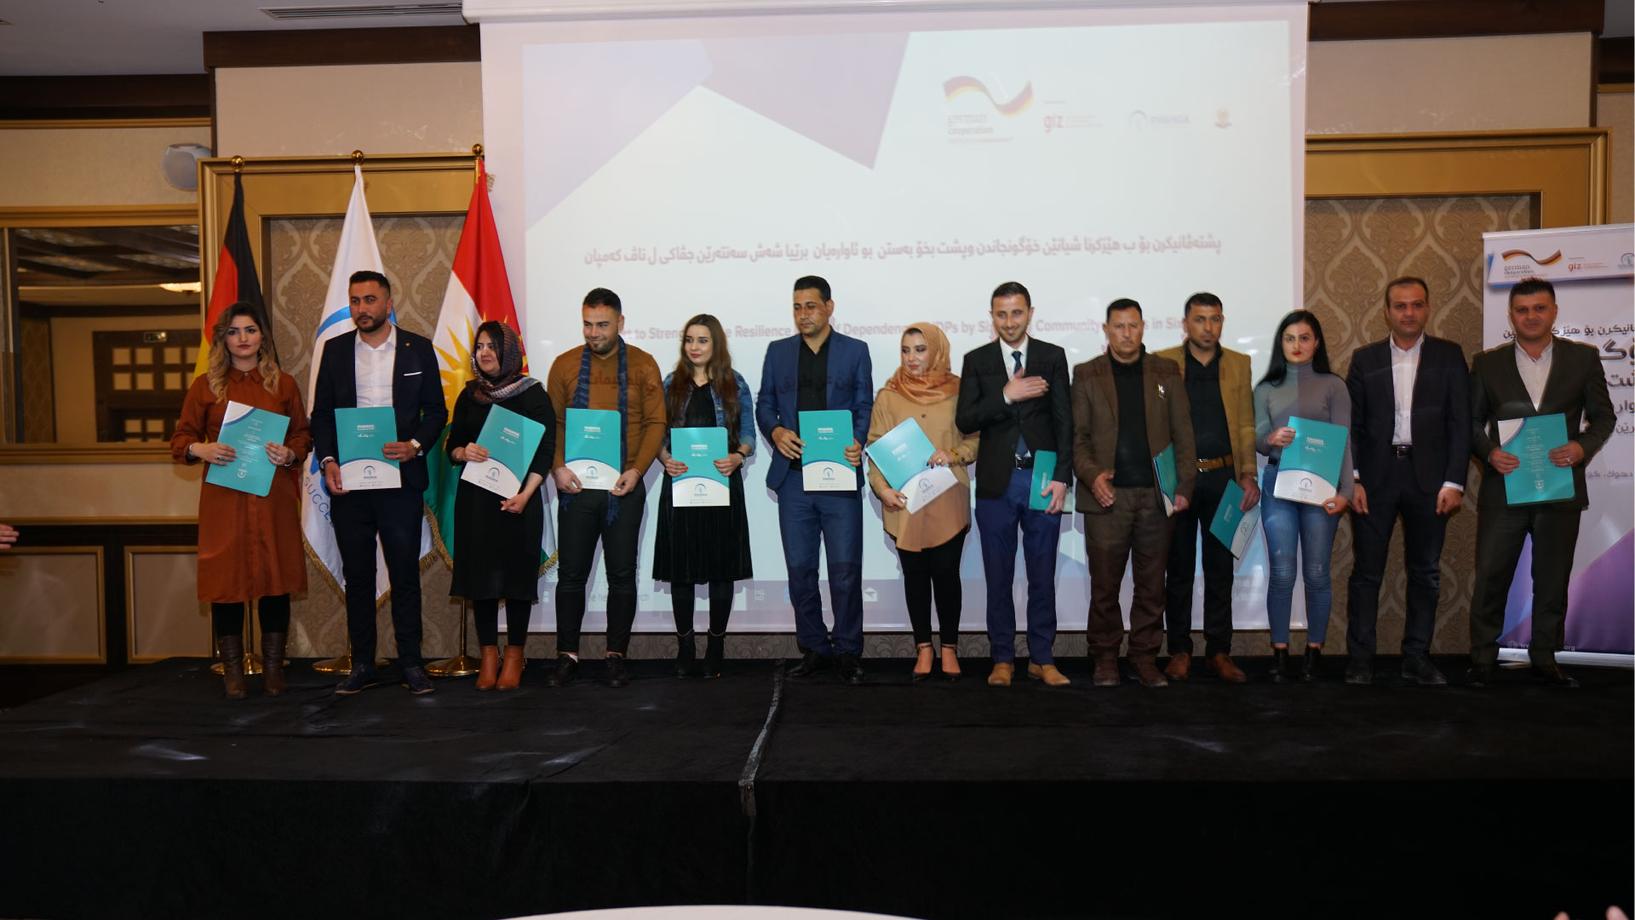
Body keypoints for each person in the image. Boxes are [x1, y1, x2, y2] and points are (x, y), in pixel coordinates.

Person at [1466, 277, 1615, 688]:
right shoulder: (1487, 364)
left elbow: (1604, 417)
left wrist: (1582, 447)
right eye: (1522, 310)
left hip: (1559, 487)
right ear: (1511, 315)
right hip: (1504, 487)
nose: (1531, 316)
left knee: (1552, 579)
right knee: (1491, 576)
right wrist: (1489, 452)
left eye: (1539, 308)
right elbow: (1469, 423)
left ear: (1553, 312)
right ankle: (1482, 659)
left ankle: (1546, 657)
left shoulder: (1583, 359)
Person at [311, 270, 448, 696]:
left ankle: (411, 663)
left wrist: (414, 445)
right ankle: (362, 664)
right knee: (358, 576)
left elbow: (437, 412)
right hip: (349, 483)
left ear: (389, 303)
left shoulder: (417, 349)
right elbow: (321, 415)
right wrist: (328, 461)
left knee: (404, 574)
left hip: (400, 482)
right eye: (355, 301)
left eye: (370, 300)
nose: (362, 309)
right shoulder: (334, 351)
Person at [172, 303, 311, 699]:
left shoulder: (283, 384)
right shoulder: (205, 386)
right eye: (234, 332)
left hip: (272, 496)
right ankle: (232, 671)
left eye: (250, 330)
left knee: (275, 579)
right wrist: (202, 449)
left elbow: (302, 434)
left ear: (262, 336)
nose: (243, 338)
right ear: (223, 339)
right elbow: (180, 439)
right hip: (225, 498)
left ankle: (273, 669)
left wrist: (290, 453)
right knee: (226, 582)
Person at [1343, 277, 1470, 687]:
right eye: (1400, 306)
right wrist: (1353, 479)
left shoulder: (1449, 356)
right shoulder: (1365, 359)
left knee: (1425, 573)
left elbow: (1461, 424)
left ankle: (1416, 657)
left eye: (1416, 304)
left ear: (1428, 308)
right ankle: (1360, 660)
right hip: (1374, 479)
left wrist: (1455, 482)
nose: (1409, 313)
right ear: (1387, 312)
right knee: (1366, 573)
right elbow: (1353, 426)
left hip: (1430, 480)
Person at [1072, 298, 1195, 688]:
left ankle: (1144, 657)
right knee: (1104, 586)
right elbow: (1078, 439)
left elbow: (1183, 434)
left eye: (1133, 326)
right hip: (1107, 497)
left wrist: (1183, 486)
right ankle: (1105, 658)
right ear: (1106, 330)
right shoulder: (1087, 374)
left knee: (1152, 585)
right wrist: (1093, 477)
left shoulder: (1166, 371)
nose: (1126, 333)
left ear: (1143, 328)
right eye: (1119, 326)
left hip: (1156, 497)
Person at [546, 288, 666, 688]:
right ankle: (567, 654)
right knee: (571, 575)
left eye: (602, 325)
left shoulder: (644, 365)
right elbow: (554, 424)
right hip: (576, 490)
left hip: (624, 488)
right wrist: (557, 467)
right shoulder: (564, 365)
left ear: (620, 323)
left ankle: (616, 655)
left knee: (622, 574)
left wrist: (638, 471)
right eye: (587, 324)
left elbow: (655, 423)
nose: (593, 333)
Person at [955, 281, 1073, 688]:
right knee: (998, 576)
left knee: (1042, 575)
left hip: (1042, 480)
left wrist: (1063, 477)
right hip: (995, 485)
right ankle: (1002, 658)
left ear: (1030, 313)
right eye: (1001, 314)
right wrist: (1005, 395)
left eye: (1017, 313)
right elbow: (965, 420)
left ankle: (1042, 657)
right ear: (992, 316)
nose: (1009, 322)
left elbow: (1065, 422)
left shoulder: (1052, 357)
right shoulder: (977, 360)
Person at [757, 275, 873, 685]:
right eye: (796, 307)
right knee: (800, 569)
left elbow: (864, 405)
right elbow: (764, 403)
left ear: (829, 307)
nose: (803, 314)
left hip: (839, 476)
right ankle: (813, 647)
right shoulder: (778, 352)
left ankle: (848, 649)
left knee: (845, 570)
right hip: (793, 479)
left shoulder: (856, 351)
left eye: (810, 305)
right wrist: (775, 431)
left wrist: (857, 440)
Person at [1155, 292, 1259, 683]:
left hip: (1223, 478)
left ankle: (1219, 651)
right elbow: (1157, 423)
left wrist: (1248, 473)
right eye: (1199, 319)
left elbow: (1246, 423)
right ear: (1185, 324)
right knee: (1178, 568)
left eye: (1214, 319)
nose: (1208, 327)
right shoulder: (1164, 363)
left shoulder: (1239, 363)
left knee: (1220, 570)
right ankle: (1179, 650)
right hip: (1181, 480)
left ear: (1222, 322)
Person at [446, 321, 555, 691]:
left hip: (519, 501)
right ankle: (489, 655)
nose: (485, 353)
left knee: (517, 578)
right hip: (476, 502)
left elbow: (545, 451)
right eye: (479, 346)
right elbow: (452, 446)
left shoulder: (532, 393)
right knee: (482, 581)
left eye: (492, 346)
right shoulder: (469, 395)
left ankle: (514, 655)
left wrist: (526, 495)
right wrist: (464, 451)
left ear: (508, 352)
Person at [867, 322, 979, 682]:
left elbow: (976, 439)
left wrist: (954, 454)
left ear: (937, 351)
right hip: (904, 504)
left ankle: (950, 648)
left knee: (946, 576)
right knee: (915, 578)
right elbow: (875, 449)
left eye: (920, 349)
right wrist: (881, 489)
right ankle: (924, 648)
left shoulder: (960, 391)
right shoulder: (888, 396)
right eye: (905, 350)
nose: (911, 358)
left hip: (948, 501)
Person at [654, 314, 754, 679]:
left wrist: (738, 456)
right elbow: (656, 434)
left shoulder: (734, 383)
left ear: (716, 345)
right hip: (680, 485)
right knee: (681, 570)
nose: (694, 347)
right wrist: (664, 458)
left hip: (722, 484)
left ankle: (715, 646)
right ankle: (685, 647)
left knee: (720, 569)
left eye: (702, 340)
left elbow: (748, 433)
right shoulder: (670, 384)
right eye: (689, 340)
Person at [1254, 309, 1352, 683]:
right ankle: (1280, 652)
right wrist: (1270, 439)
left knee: (1317, 573)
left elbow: (1344, 443)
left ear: (1317, 343)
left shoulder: (1334, 386)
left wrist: (1346, 491)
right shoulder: (1265, 388)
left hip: (1322, 488)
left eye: (1305, 338)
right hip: (1278, 485)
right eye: (1290, 338)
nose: (1297, 345)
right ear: (1281, 343)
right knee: (1281, 572)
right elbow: (1257, 439)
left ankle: (1314, 650)